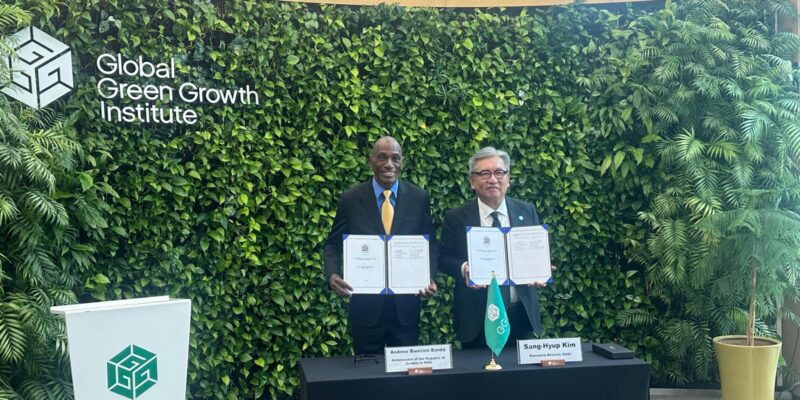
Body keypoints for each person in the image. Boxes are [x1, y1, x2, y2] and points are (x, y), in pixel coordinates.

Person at [323, 136, 437, 355]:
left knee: (403, 373)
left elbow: (429, 244)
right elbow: (332, 244)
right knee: (367, 371)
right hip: (365, 309)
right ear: (371, 161)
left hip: (405, 308)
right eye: (382, 157)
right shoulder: (351, 199)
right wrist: (332, 275)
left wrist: (428, 276)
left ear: (402, 162)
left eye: (395, 158)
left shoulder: (418, 198)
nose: (389, 164)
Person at [439, 146, 549, 348]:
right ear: (472, 181)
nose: (493, 179)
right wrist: (464, 268)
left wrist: (539, 268)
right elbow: (442, 257)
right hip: (476, 319)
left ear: (508, 178)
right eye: (484, 173)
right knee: (478, 370)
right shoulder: (456, 217)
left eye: (499, 172)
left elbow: (535, 251)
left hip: (521, 315)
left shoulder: (527, 211)